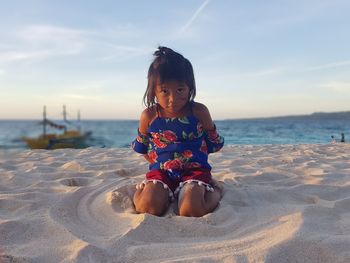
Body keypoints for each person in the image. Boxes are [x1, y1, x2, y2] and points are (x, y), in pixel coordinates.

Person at [131, 46, 224, 217]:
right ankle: (146, 189)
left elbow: (214, 144)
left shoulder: (199, 111)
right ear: (154, 92)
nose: (172, 99)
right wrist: (159, 162)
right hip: (161, 171)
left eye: (180, 90)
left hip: (195, 171)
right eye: (165, 91)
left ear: (190, 88)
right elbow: (142, 147)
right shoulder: (149, 116)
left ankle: (215, 189)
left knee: (191, 210)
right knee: (147, 208)